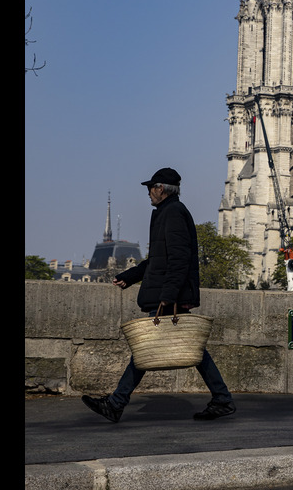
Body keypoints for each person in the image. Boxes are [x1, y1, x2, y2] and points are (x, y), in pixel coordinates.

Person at [82, 168, 235, 422]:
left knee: (147, 348)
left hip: (169, 296)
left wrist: (168, 295)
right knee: (193, 349)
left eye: (150, 188)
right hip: (169, 292)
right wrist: (129, 276)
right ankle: (222, 399)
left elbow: (179, 259)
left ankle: (116, 403)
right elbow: (157, 261)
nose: (148, 194)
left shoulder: (173, 213)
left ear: (160, 188)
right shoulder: (168, 213)